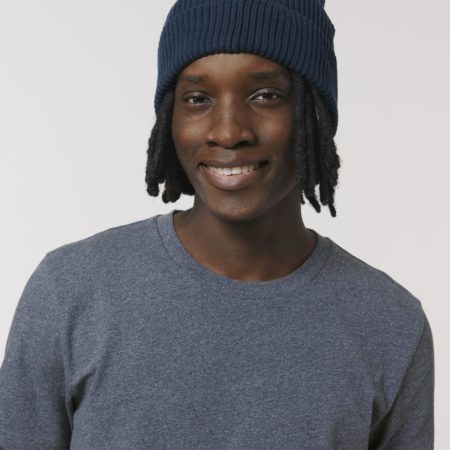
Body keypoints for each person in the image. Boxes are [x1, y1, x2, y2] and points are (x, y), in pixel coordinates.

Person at [0, 0, 434, 448]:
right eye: (197, 99)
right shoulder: (70, 290)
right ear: (170, 117)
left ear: (315, 113)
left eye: (265, 95)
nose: (228, 132)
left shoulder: (390, 322)